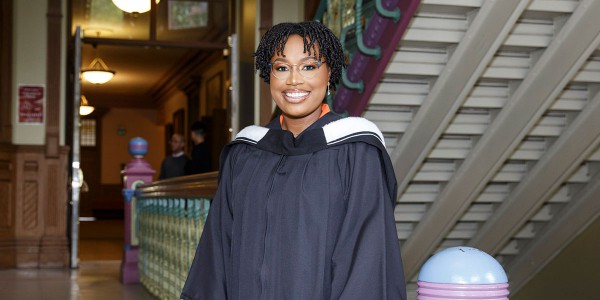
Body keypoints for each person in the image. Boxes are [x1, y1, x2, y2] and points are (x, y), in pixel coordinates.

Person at [181, 21, 406, 300]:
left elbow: (368, 257)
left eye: (309, 66)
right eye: (281, 67)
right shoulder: (246, 152)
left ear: (329, 73)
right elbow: (217, 249)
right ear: (269, 75)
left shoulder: (356, 151)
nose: (294, 80)